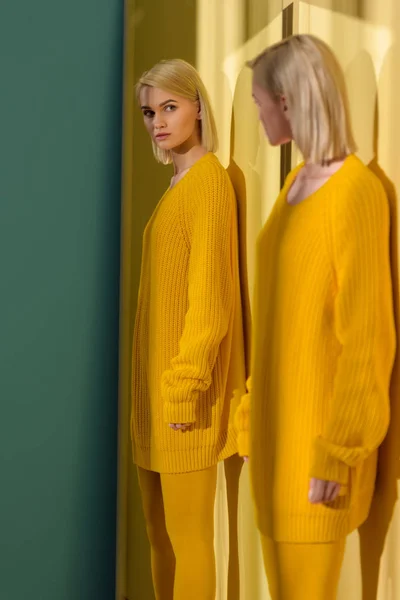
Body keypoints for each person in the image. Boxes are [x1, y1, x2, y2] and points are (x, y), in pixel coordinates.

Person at [235, 34, 396, 599]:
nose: (255, 116)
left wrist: (340, 451)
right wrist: (249, 412)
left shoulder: (356, 192)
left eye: (258, 103)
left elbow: (368, 339)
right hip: (272, 456)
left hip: (317, 465)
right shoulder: (292, 186)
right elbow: (281, 318)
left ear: (287, 100)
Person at [131, 58, 246, 600]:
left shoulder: (209, 183)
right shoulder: (175, 187)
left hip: (185, 403)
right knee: (160, 539)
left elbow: (211, 299)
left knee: (190, 538)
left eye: (170, 107)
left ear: (198, 106)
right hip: (154, 405)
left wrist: (183, 388)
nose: (158, 121)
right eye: (151, 112)